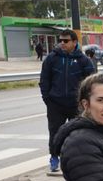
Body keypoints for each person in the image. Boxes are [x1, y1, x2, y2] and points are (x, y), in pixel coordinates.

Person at [39, 28, 95, 172]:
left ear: (74, 42)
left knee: (77, 133)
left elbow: (91, 82)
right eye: (60, 41)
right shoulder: (52, 58)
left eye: (66, 41)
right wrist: (47, 98)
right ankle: (54, 157)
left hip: (75, 105)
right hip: (55, 104)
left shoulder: (83, 60)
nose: (62, 43)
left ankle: (76, 160)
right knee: (55, 132)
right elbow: (44, 80)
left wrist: (85, 102)